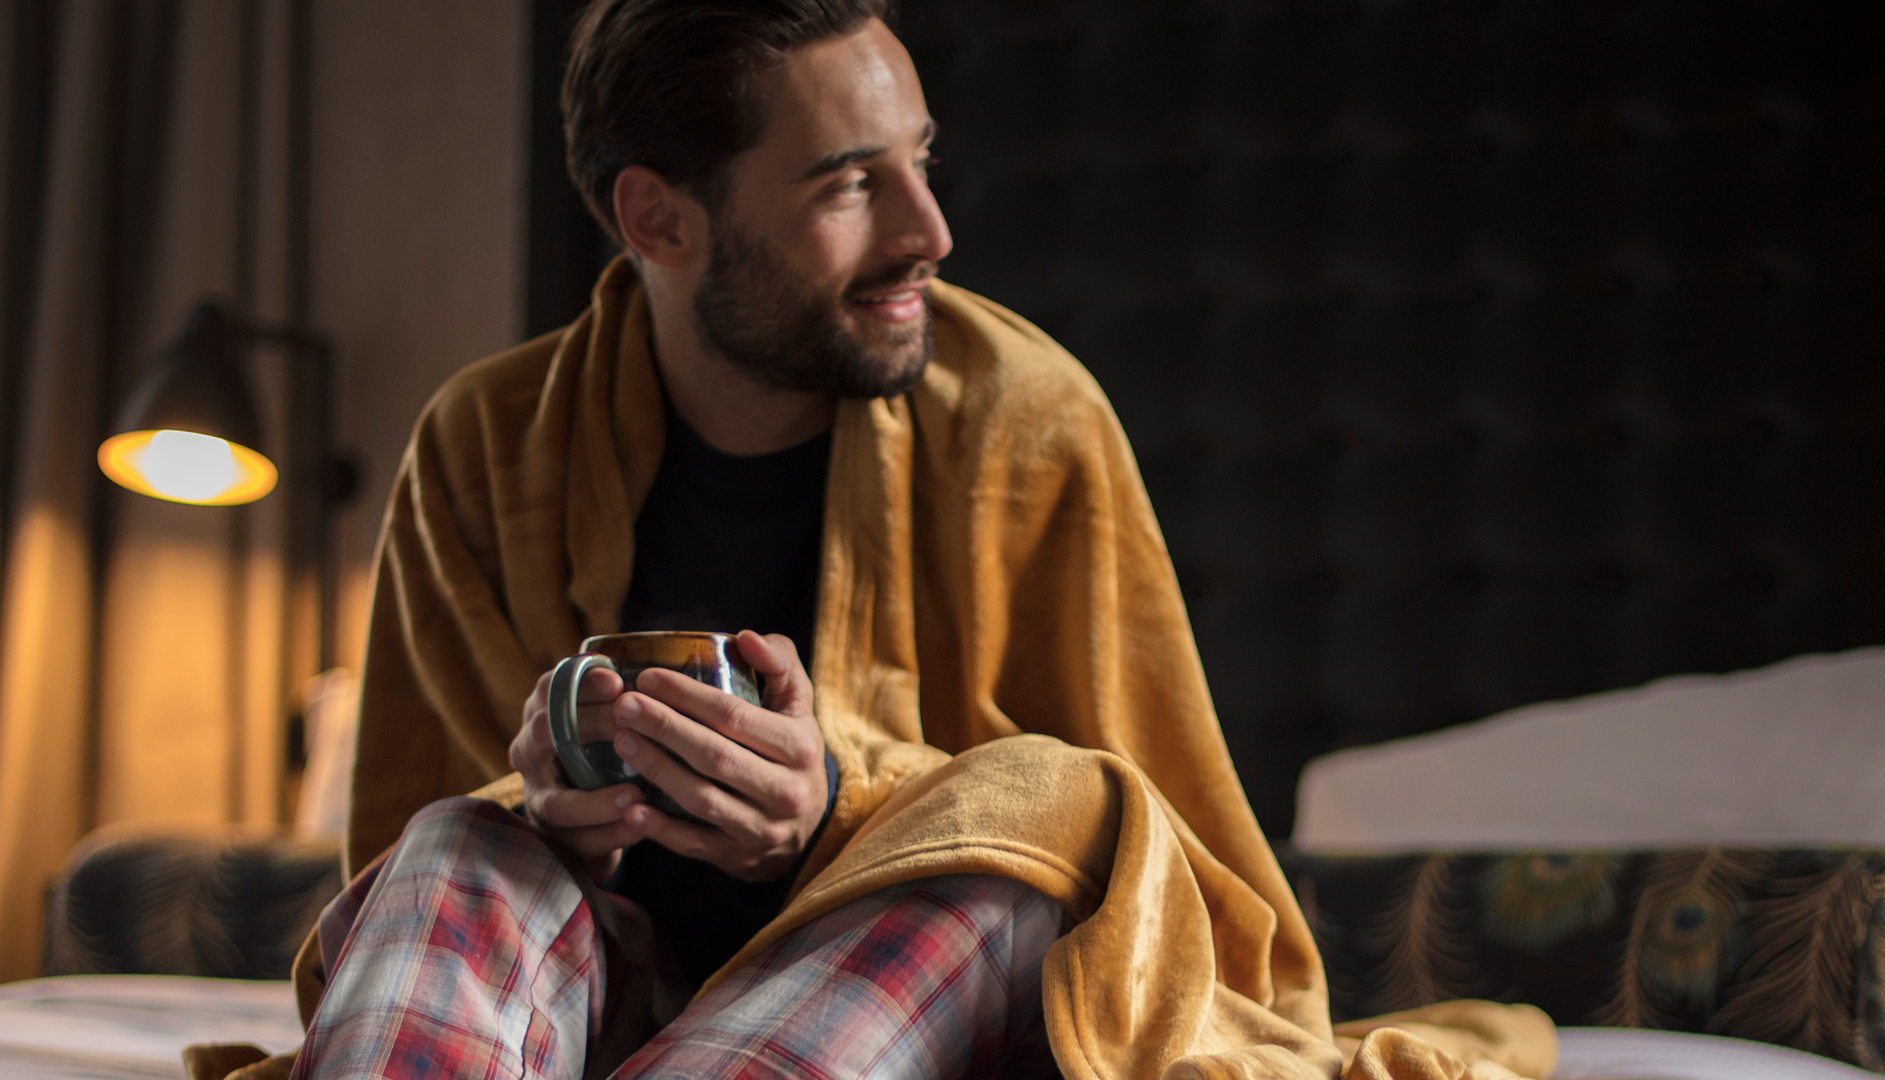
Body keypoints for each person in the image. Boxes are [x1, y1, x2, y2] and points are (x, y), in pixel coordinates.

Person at [186, 2, 1556, 1078]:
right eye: (851, 185)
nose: (930, 232)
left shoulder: (1030, 420)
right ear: (659, 219)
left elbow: (1166, 887)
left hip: (927, 1002)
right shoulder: (481, 444)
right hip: (601, 1003)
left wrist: (831, 808)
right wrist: (562, 817)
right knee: (453, 845)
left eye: (921, 164)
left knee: (1034, 816)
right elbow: (392, 889)